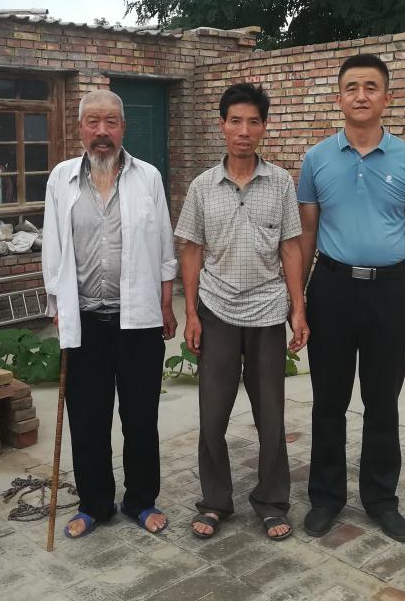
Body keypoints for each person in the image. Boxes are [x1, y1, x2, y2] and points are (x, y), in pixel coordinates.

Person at [298, 54, 405, 543]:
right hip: (331, 289)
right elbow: (306, 232)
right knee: (328, 401)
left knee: (382, 402)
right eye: (352, 87)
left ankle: (380, 499)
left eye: (371, 87)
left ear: (386, 97)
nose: (361, 95)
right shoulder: (316, 159)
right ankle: (326, 497)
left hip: (390, 291)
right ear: (339, 97)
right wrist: (298, 301)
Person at [42, 88, 178, 539]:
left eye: (111, 122)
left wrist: (166, 304)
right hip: (85, 320)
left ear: (123, 127)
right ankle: (94, 503)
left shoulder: (148, 177)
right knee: (87, 419)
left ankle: (141, 500)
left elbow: (164, 246)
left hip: (138, 321)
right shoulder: (61, 179)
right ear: (80, 128)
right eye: (93, 122)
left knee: (140, 418)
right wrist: (57, 308)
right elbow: (52, 249)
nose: (102, 132)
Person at [175, 82, 308, 542]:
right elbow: (192, 251)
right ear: (222, 126)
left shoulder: (281, 183)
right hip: (216, 310)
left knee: (270, 414)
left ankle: (271, 501)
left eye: (253, 122)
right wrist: (192, 314)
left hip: (268, 311)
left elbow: (291, 248)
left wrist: (298, 309)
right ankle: (215, 501)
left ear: (264, 127)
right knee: (213, 413)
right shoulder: (202, 186)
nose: (244, 131)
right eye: (236, 121)